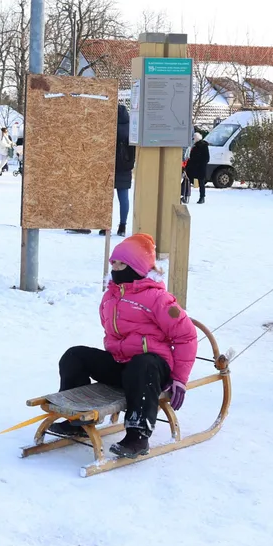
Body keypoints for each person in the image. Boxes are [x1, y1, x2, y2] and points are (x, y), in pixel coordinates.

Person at [54, 234, 196, 458]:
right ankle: (78, 419)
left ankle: (138, 436)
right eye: (114, 263)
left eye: (122, 264)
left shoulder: (159, 299)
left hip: (151, 369)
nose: (115, 268)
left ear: (136, 267)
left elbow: (186, 336)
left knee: (142, 364)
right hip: (121, 364)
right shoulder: (111, 296)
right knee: (74, 356)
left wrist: (179, 379)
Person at [114, 104, 135, 237]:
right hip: (125, 167)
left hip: (111, 165)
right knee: (124, 198)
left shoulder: (111, 126)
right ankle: (122, 226)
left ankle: (105, 226)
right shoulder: (131, 128)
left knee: (106, 198)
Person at [186, 129, 210, 204]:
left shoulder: (201, 146)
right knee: (191, 181)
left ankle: (201, 197)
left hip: (199, 167)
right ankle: (187, 195)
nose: (193, 140)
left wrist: (197, 162)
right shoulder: (197, 146)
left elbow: (206, 158)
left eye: (194, 138)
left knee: (200, 182)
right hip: (195, 167)